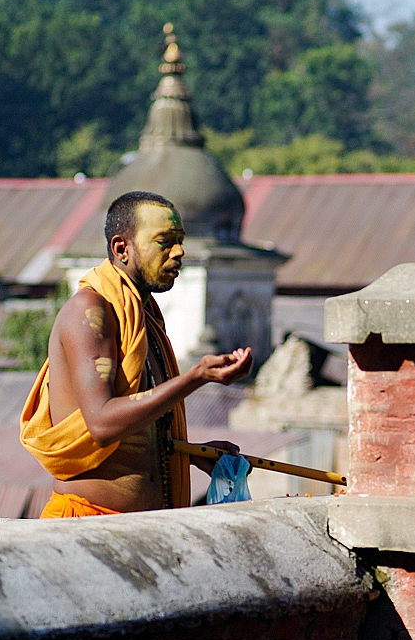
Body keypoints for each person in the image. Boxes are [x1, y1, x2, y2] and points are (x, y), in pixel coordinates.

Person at [21, 190, 252, 517]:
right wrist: (196, 377)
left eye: (180, 240)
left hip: (146, 529)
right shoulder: (90, 313)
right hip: (88, 524)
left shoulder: (146, 319)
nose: (179, 251)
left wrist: (191, 452)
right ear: (121, 248)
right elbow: (102, 423)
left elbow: (142, 427)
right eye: (164, 241)